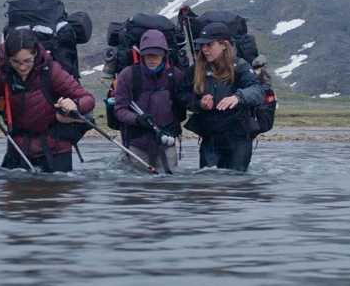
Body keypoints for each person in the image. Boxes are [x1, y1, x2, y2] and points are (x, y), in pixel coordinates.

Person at [0, 28, 96, 173]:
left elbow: (88, 99)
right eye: (15, 62)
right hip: (17, 151)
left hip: (55, 151)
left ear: (36, 53)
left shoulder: (52, 71)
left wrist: (75, 104)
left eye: (27, 61)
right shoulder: (4, 74)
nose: (22, 66)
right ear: (8, 58)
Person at [180, 22, 264, 172]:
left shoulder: (241, 66)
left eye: (209, 45)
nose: (204, 49)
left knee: (236, 182)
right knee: (208, 182)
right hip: (210, 136)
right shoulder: (197, 69)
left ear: (224, 45)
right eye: (202, 45)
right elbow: (182, 95)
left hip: (238, 136)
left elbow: (257, 91)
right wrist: (200, 104)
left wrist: (238, 97)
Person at [112, 29, 187, 173]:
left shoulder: (175, 76)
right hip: (136, 143)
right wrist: (137, 119)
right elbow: (119, 109)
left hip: (166, 141)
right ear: (142, 54)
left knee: (169, 183)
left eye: (156, 54)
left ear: (164, 55)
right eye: (148, 54)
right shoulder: (128, 75)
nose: (152, 58)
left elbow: (182, 105)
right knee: (138, 187)